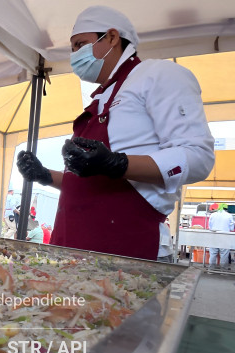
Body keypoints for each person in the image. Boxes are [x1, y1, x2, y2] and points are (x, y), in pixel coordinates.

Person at [17, 6, 214, 260]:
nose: (75, 54)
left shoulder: (157, 74)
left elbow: (198, 157)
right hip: (73, 246)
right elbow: (91, 183)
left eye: (80, 44)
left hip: (126, 249)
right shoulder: (100, 98)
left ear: (111, 37)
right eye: (73, 48)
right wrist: (45, 176)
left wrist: (117, 163)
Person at [208, 203, 234, 269]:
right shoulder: (229, 216)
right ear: (226, 209)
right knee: (224, 254)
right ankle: (223, 270)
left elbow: (210, 227)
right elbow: (231, 228)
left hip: (214, 236)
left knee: (213, 254)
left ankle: (211, 269)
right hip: (225, 236)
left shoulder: (213, 215)